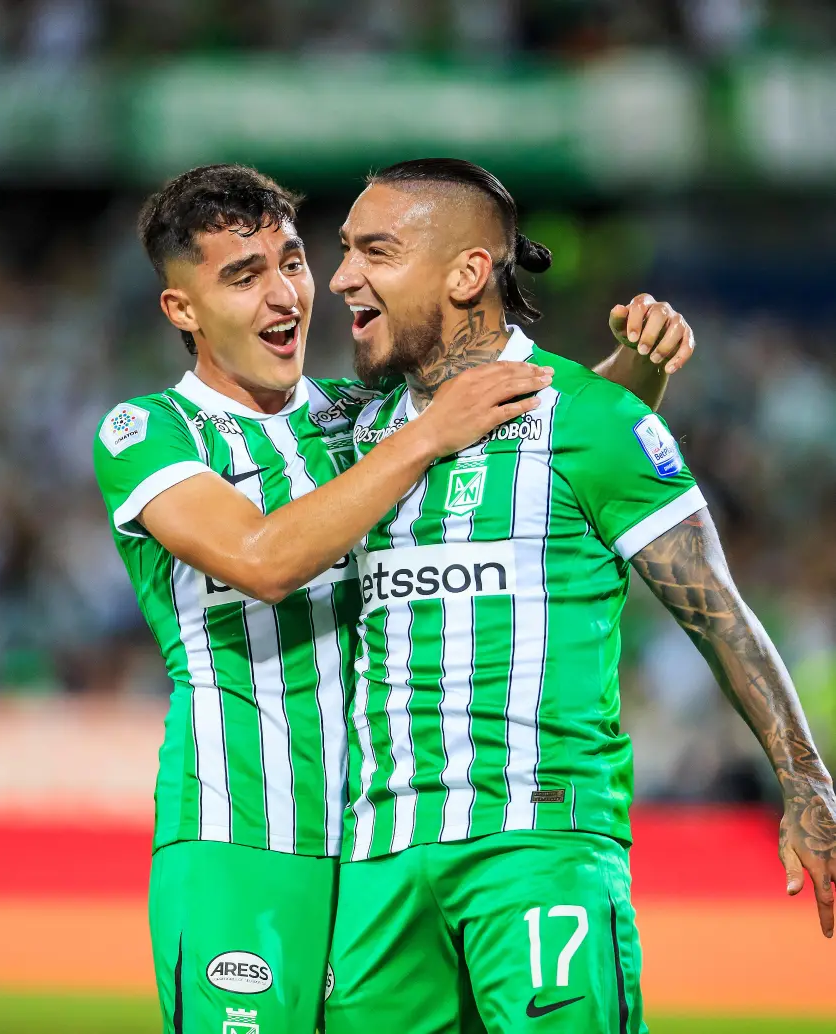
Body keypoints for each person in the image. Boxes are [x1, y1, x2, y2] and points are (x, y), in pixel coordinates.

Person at [93, 163, 699, 1034]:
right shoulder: (149, 431)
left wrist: (632, 372)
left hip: (376, 848)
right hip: (242, 836)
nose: (285, 296)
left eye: (292, 263)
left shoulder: (359, 419)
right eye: (242, 276)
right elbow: (262, 559)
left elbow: (534, 438)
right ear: (181, 310)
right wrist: (426, 435)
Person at [323, 158, 836, 1034]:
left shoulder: (595, 420)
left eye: (375, 251)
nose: (341, 278)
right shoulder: (350, 431)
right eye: (342, 251)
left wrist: (806, 779)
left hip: (539, 848)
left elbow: (717, 612)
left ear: (466, 273)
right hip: (378, 857)